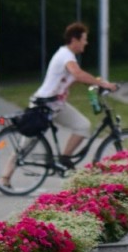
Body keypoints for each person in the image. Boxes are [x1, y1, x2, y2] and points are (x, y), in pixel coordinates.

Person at [29, 22, 118, 161]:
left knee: (82, 126)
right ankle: (5, 177)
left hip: (55, 105)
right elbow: (78, 74)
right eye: (84, 39)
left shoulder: (66, 55)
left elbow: (76, 79)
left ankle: (64, 159)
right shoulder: (66, 55)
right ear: (74, 40)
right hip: (44, 105)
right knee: (28, 141)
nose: (86, 43)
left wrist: (100, 84)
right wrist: (101, 83)